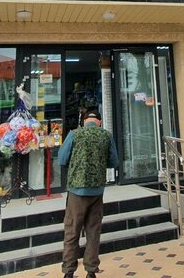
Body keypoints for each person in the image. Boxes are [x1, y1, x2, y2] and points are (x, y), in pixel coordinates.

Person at [58, 110, 120, 278]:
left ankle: (68, 272)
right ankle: (91, 271)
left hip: (76, 192)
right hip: (97, 191)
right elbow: (114, 162)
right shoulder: (106, 136)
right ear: (99, 122)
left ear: (83, 121)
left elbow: (62, 159)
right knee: (93, 232)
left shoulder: (74, 134)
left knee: (72, 231)